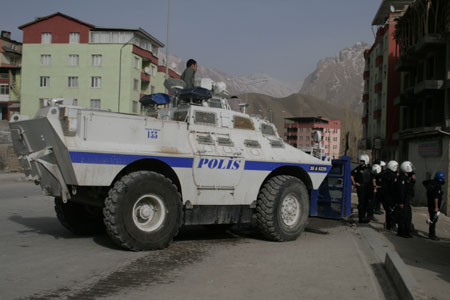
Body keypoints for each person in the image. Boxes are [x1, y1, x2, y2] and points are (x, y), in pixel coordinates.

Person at [423, 172, 445, 241]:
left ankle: (431, 234)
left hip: (430, 204)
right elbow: (436, 197)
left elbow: (425, 183)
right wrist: (436, 207)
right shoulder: (437, 186)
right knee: (433, 220)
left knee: (432, 219)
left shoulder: (432, 184)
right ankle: (432, 235)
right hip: (434, 206)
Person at [396, 161, 415, 238]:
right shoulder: (401, 179)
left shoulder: (407, 178)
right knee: (403, 217)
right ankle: (402, 232)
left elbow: (409, 188)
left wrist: (413, 181)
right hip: (403, 201)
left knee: (408, 217)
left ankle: (407, 231)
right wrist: (401, 202)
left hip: (407, 200)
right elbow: (401, 191)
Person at [351, 154, 372, 223]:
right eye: (360, 161)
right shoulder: (358, 168)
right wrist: (355, 183)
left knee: (368, 203)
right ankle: (361, 217)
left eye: (362, 161)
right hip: (361, 187)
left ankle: (366, 217)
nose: (361, 163)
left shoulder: (370, 169)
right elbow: (352, 174)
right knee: (361, 203)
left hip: (368, 188)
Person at [382, 160, 398, 231]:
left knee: (388, 211)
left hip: (385, 195)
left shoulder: (385, 173)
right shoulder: (392, 175)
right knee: (392, 211)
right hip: (390, 196)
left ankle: (388, 225)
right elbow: (393, 187)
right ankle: (391, 226)